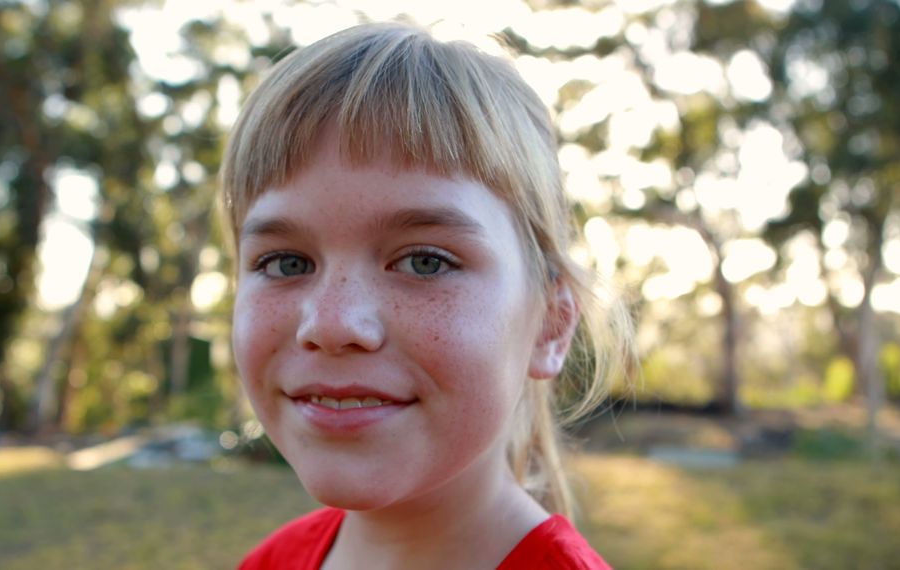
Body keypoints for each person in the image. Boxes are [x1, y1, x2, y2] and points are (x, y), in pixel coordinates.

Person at [220, 22, 635, 570]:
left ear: (549, 326)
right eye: (286, 263)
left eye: (425, 261)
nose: (332, 323)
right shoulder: (272, 562)